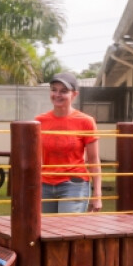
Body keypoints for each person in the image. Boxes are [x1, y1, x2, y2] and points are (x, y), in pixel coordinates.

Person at [36, 72, 102, 214]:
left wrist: (97, 194)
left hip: (74, 185)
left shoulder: (86, 121)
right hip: (45, 185)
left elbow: (94, 160)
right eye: (54, 90)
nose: (57, 94)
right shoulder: (39, 121)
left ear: (74, 95)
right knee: (45, 232)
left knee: (65, 230)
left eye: (64, 91)